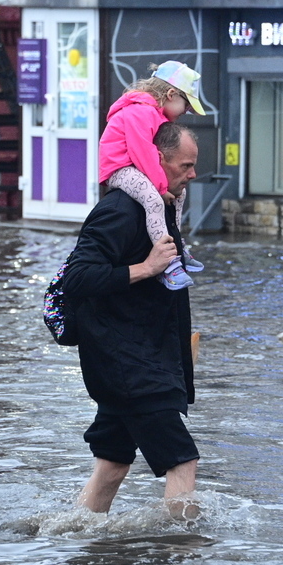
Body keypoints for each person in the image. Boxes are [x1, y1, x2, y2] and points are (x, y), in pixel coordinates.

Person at [62, 122, 201, 520]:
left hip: (138, 358)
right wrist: (145, 267)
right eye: (185, 165)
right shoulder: (120, 209)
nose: (192, 174)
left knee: (113, 463)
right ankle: (182, 557)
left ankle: (71, 535)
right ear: (158, 160)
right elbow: (78, 277)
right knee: (182, 460)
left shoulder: (158, 206)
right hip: (130, 365)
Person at [98, 61, 207, 290]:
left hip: (134, 167)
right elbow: (142, 152)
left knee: (180, 192)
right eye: (186, 105)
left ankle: (176, 245)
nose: (186, 112)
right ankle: (168, 263)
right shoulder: (141, 111)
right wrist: (160, 187)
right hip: (119, 168)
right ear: (170, 94)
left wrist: (167, 188)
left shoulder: (155, 114)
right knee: (153, 199)